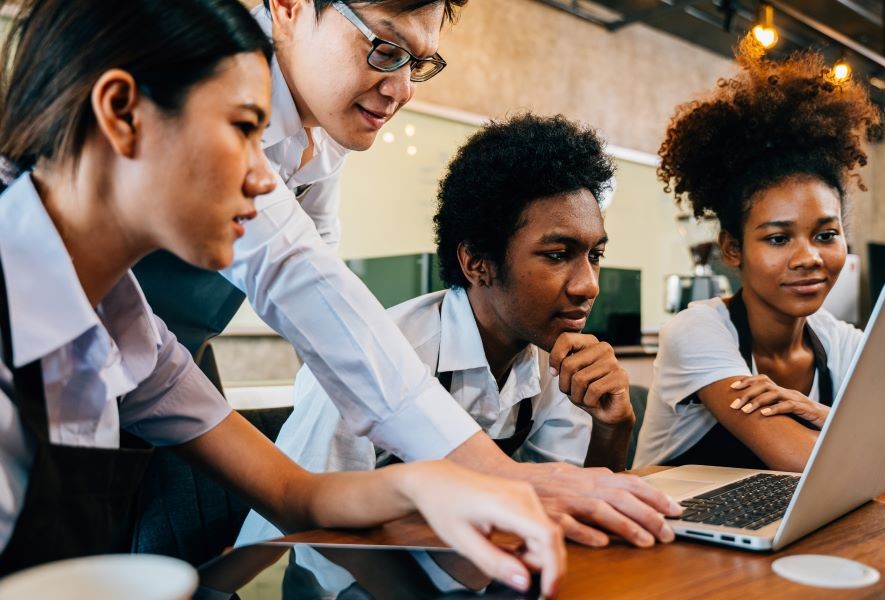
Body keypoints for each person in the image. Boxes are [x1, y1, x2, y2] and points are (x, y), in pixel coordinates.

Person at [0, 1, 567, 594]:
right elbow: (295, 275)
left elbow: (297, 493)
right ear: (122, 113)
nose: (268, 180)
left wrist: (419, 484)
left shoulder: (129, 329)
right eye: (245, 129)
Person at [132, 0, 680, 545]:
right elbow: (297, 280)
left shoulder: (318, 134)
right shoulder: (203, 88)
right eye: (386, 49)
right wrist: (494, 474)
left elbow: (309, 288)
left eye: (417, 64)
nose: (404, 89)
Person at [239, 114, 659, 556]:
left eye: (595, 255)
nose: (589, 284)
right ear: (477, 262)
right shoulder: (377, 357)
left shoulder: (554, 361)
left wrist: (614, 427)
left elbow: (568, 511)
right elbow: (304, 543)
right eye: (557, 255)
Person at [633, 38, 885, 471]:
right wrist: (859, 431)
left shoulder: (838, 341)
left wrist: (828, 417)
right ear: (733, 248)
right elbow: (805, 459)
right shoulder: (698, 332)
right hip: (677, 531)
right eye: (778, 239)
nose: (809, 257)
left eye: (826, 234)